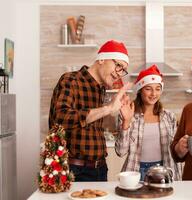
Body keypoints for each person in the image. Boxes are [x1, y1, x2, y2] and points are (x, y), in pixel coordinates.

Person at [49, 40, 132, 182]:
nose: (119, 73)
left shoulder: (101, 89)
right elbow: (60, 119)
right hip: (74, 170)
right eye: (118, 65)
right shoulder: (71, 80)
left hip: (100, 169)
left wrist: (124, 118)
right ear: (101, 59)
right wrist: (108, 109)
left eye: (123, 70)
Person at [115, 65, 182, 181]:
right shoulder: (129, 114)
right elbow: (121, 152)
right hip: (136, 172)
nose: (153, 94)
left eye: (157, 88)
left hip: (163, 171)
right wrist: (126, 122)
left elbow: (176, 151)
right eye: (148, 88)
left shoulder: (169, 117)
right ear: (140, 90)